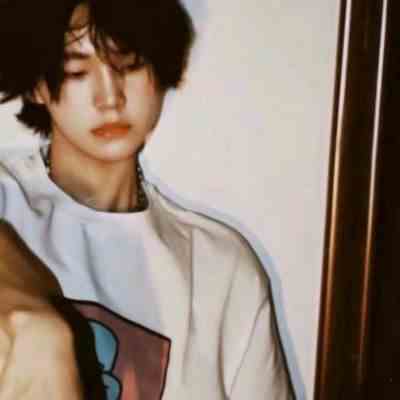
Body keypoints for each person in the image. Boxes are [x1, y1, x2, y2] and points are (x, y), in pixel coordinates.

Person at [0, 0, 294, 398]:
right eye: (76, 71)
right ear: (37, 85)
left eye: (130, 64)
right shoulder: (7, 202)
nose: (110, 97)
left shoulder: (222, 269)